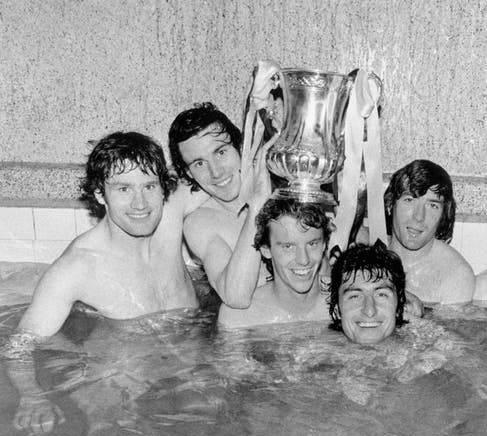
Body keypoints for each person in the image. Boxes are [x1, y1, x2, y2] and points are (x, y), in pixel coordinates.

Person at [0, 131, 204, 434]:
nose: (140, 203)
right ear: (99, 194)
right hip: (122, 387)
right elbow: (17, 346)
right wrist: (33, 397)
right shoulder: (78, 268)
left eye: (149, 186)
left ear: (163, 188)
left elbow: (232, 173)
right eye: (123, 188)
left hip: (194, 371)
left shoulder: (170, 217)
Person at [169, 102, 275, 308]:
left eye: (221, 152)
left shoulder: (283, 184)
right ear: (189, 173)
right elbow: (236, 298)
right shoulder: (201, 223)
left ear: (240, 148)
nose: (216, 172)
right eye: (199, 163)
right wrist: (257, 208)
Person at [218, 198, 334, 328]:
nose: (304, 260)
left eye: (312, 244)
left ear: (324, 245)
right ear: (265, 249)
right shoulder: (239, 317)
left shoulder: (345, 307)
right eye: (288, 246)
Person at [385, 159, 475, 304]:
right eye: (409, 200)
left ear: (443, 215)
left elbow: (447, 327)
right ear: (390, 204)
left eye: (432, 205)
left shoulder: (456, 275)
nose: (419, 216)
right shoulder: (367, 250)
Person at [328, 241, 407, 344]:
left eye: (381, 295)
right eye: (355, 296)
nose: (369, 311)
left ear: (398, 307)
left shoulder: (426, 351)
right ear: (337, 309)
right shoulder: (311, 350)